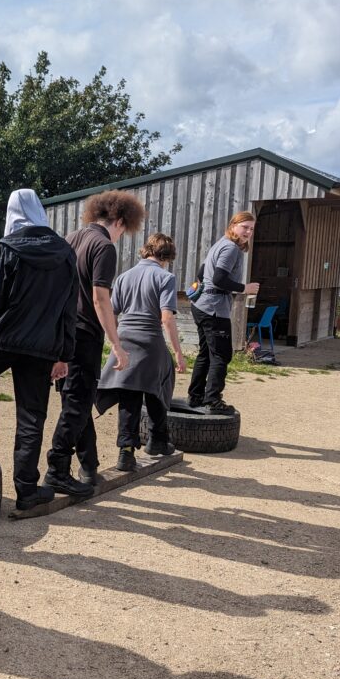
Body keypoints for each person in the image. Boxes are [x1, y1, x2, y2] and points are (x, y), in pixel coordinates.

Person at [0, 189, 79, 510]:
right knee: (31, 416)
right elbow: (70, 310)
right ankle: (27, 490)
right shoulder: (66, 253)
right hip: (43, 348)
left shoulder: (7, 247)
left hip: (6, 339)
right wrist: (64, 354)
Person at [45, 190, 145, 492]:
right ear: (121, 221)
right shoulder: (103, 246)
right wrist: (116, 343)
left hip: (61, 332)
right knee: (77, 405)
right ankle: (57, 468)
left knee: (77, 400)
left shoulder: (70, 238)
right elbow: (101, 298)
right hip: (85, 334)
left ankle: (89, 467)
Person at [95, 233, 187, 470]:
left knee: (129, 395)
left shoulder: (124, 277)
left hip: (124, 339)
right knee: (158, 388)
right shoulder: (165, 277)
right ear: (167, 256)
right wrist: (177, 352)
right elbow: (166, 318)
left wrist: (115, 341)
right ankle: (158, 439)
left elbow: (111, 312)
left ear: (147, 250)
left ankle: (126, 451)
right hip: (150, 340)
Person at [187, 211, 260, 414]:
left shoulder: (221, 244)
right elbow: (219, 278)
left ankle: (196, 397)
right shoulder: (231, 249)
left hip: (201, 305)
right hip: (214, 309)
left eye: (251, 229)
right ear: (233, 225)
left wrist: (205, 286)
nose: (248, 232)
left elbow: (202, 272)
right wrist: (245, 288)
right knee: (221, 354)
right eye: (244, 227)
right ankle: (213, 401)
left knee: (206, 353)